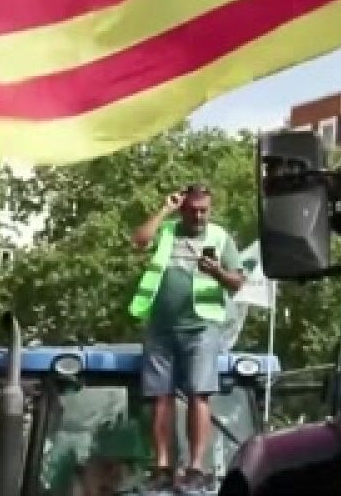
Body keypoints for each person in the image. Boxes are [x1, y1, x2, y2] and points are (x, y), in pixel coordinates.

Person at [129, 184, 245, 494]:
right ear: (182, 208)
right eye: (192, 210)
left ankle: (195, 468)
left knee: (199, 393)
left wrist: (218, 272)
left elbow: (238, 283)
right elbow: (139, 241)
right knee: (161, 398)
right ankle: (163, 468)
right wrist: (164, 209)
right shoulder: (166, 231)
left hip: (202, 327)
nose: (199, 215)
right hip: (160, 327)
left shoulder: (220, 237)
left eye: (204, 210)